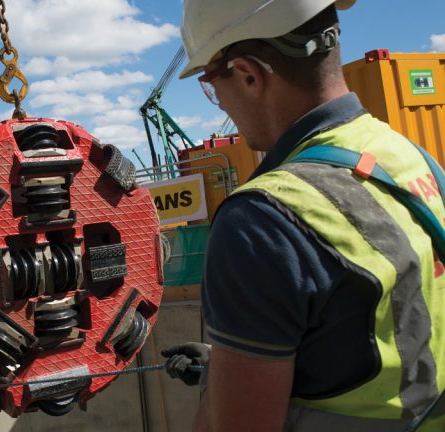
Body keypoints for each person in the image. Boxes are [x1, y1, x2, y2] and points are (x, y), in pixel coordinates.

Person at [161, 1, 445, 431]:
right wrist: (240, 362)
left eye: (210, 83)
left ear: (248, 74)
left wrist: (217, 394)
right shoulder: (409, 157)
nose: (216, 98)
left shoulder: (261, 221)